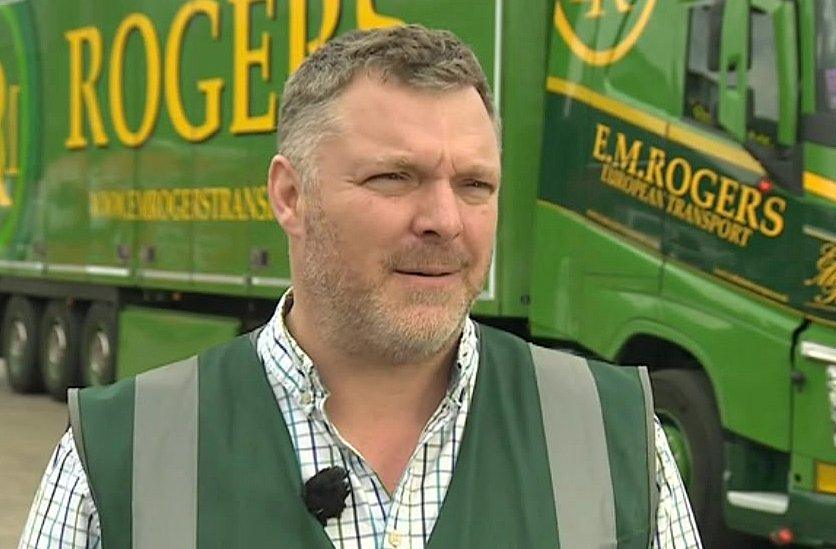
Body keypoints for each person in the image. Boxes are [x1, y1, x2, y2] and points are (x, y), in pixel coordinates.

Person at [21, 25, 701, 548]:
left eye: (474, 185)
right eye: (393, 178)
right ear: (291, 196)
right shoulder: (117, 452)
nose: (443, 220)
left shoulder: (614, 437)